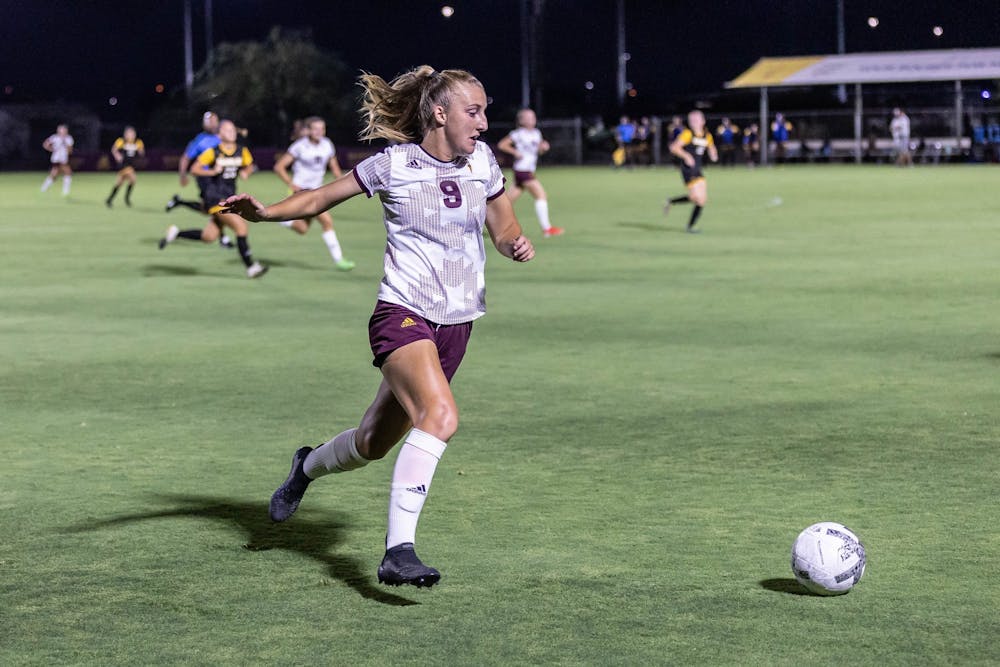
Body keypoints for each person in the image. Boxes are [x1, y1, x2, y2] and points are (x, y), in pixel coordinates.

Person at [222, 65, 534, 588]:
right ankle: (398, 551)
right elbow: (323, 197)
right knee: (439, 416)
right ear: (440, 112)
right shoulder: (394, 164)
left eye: (484, 111)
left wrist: (513, 245)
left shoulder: (483, 161)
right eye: (473, 111)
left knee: (372, 442)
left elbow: (503, 225)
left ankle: (305, 467)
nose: (483, 123)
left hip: (457, 322)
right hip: (402, 313)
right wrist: (268, 212)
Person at [158, 119, 267, 278]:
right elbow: (194, 169)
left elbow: (249, 165)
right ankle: (251, 267)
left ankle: (175, 233)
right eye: (227, 130)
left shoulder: (242, 151)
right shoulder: (213, 152)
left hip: (229, 197)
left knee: (209, 237)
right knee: (241, 228)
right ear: (220, 134)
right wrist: (212, 172)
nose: (232, 133)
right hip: (214, 197)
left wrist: (246, 172)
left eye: (233, 130)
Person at [272, 116, 356, 270]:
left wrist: (343, 182)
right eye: (315, 128)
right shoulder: (299, 146)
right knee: (327, 222)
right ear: (309, 130)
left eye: (322, 128)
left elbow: (334, 166)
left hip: (318, 190)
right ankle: (340, 260)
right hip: (302, 191)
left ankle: (283, 219)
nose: (319, 132)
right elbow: (279, 167)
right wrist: (292, 184)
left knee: (302, 229)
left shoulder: (327, 145)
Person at [496, 108, 564, 238]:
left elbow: (538, 151)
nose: (533, 120)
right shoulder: (518, 134)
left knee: (506, 202)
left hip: (526, 170)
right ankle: (547, 228)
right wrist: (515, 152)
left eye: (533, 117)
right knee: (541, 196)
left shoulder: (536, 133)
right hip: (523, 170)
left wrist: (543, 148)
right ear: (522, 120)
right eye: (529, 118)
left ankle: (488, 221)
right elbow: (502, 144)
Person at [663, 110, 718, 233]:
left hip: (698, 169)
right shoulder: (687, 134)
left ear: (703, 121)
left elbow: (711, 146)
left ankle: (671, 201)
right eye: (692, 120)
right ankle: (690, 227)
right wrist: (686, 156)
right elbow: (674, 147)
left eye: (696, 119)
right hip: (688, 170)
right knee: (698, 198)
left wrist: (713, 154)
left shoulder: (707, 135)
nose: (694, 122)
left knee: (700, 200)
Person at [106, 126, 145, 207]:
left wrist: (141, 151)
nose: (131, 135)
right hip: (123, 165)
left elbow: (141, 152)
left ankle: (109, 199)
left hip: (131, 165)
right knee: (133, 179)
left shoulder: (138, 142)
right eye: (129, 133)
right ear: (125, 134)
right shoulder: (121, 141)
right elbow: (114, 149)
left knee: (119, 183)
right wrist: (117, 156)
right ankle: (127, 199)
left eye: (133, 133)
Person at [40, 124, 74, 196]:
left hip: (64, 158)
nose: (63, 131)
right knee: (68, 172)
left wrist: (67, 147)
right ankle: (65, 191)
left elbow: (70, 150)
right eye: (61, 130)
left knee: (55, 174)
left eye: (64, 130)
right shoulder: (54, 137)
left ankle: (44, 187)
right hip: (56, 158)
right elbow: (45, 144)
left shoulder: (69, 138)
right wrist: (51, 149)